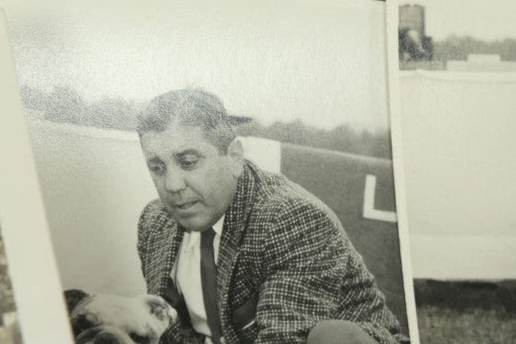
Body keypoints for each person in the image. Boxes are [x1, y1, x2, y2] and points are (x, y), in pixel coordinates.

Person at [135, 89, 407, 344]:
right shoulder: (155, 222)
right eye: (157, 167)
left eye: (188, 162)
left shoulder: (292, 217)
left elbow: (283, 339)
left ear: (234, 157)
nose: (172, 185)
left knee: (333, 336)